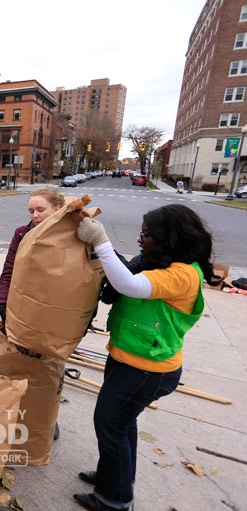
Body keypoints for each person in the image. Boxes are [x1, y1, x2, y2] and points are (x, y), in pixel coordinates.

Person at [74, 204, 215, 511]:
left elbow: (129, 285)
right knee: (123, 425)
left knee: (110, 425)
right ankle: (118, 476)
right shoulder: (155, 262)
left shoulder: (183, 275)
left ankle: (115, 499)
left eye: (147, 234)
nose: (140, 239)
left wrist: (101, 239)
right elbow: (122, 276)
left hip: (148, 369)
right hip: (129, 358)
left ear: (169, 238)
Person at [0, 188, 66, 325]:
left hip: (57, 313)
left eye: (40, 210)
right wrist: (2, 302)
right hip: (24, 307)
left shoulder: (71, 234)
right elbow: (9, 271)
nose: (35, 215)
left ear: (56, 209)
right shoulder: (22, 234)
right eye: (31, 211)